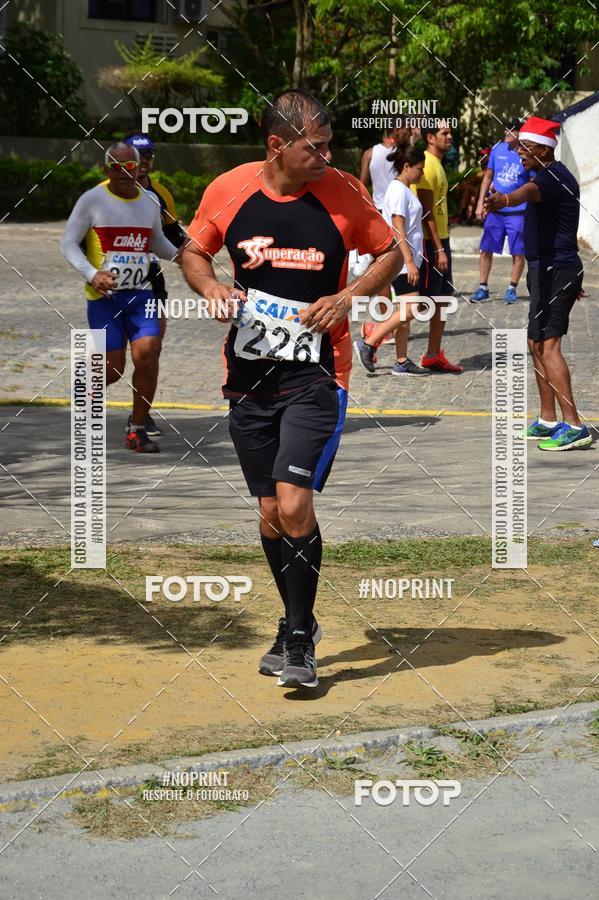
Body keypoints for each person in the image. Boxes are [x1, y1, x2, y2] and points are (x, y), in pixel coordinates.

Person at [182, 89, 401, 688]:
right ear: (278, 145)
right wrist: (210, 290)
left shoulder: (342, 193)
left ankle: (300, 637)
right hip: (250, 377)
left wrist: (346, 298)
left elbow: (390, 253)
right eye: (317, 146)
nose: (328, 157)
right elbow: (194, 251)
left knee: (296, 500)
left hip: (318, 373)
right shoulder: (228, 190)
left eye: (330, 145)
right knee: (270, 511)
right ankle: (293, 619)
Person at [61, 143, 180, 453]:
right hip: (104, 299)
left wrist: (185, 255)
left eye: (129, 167)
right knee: (113, 368)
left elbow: (157, 241)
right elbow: (69, 244)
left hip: (141, 296)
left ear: (139, 167)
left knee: (148, 354)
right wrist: (92, 274)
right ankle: (86, 393)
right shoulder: (92, 200)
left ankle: (137, 430)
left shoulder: (149, 201)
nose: (123, 173)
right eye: (115, 167)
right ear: (106, 169)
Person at [485, 116, 592, 451]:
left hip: (555, 268)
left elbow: (524, 193)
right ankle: (548, 419)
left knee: (548, 346)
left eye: (524, 148)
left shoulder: (548, 179)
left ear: (543, 149)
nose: (519, 154)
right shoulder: (549, 174)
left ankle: (574, 426)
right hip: (548, 269)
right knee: (535, 343)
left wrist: (502, 201)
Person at [121, 133, 187, 435]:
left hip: (150, 282)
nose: (143, 160)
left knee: (150, 352)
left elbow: (175, 238)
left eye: (148, 155)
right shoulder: (102, 194)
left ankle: (141, 416)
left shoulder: (160, 195)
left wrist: (196, 254)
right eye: (137, 154)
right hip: (109, 287)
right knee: (110, 367)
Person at [353, 143, 430, 376]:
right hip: (400, 260)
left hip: (406, 259)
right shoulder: (398, 191)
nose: (422, 173)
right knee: (413, 307)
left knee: (402, 312)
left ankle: (402, 360)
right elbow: (398, 228)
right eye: (419, 168)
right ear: (406, 166)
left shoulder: (404, 190)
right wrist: (408, 261)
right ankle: (369, 342)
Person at [413, 119, 463, 372]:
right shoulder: (426, 166)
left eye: (450, 132)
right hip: (429, 241)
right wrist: (439, 248)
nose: (450, 136)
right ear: (430, 137)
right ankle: (373, 337)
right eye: (445, 132)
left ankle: (433, 354)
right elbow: (425, 212)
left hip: (441, 238)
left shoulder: (438, 165)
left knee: (442, 298)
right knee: (421, 302)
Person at [471, 118, 529, 304]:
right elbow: (488, 177)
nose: (506, 131)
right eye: (506, 128)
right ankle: (483, 288)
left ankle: (512, 288)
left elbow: (532, 185)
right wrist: (481, 203)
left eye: (512, 129)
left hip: (518, 211)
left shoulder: (526, 154)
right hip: (495, 210)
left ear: (520, 133)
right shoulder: (497, 150)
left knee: (518, 252)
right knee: (485, 248)